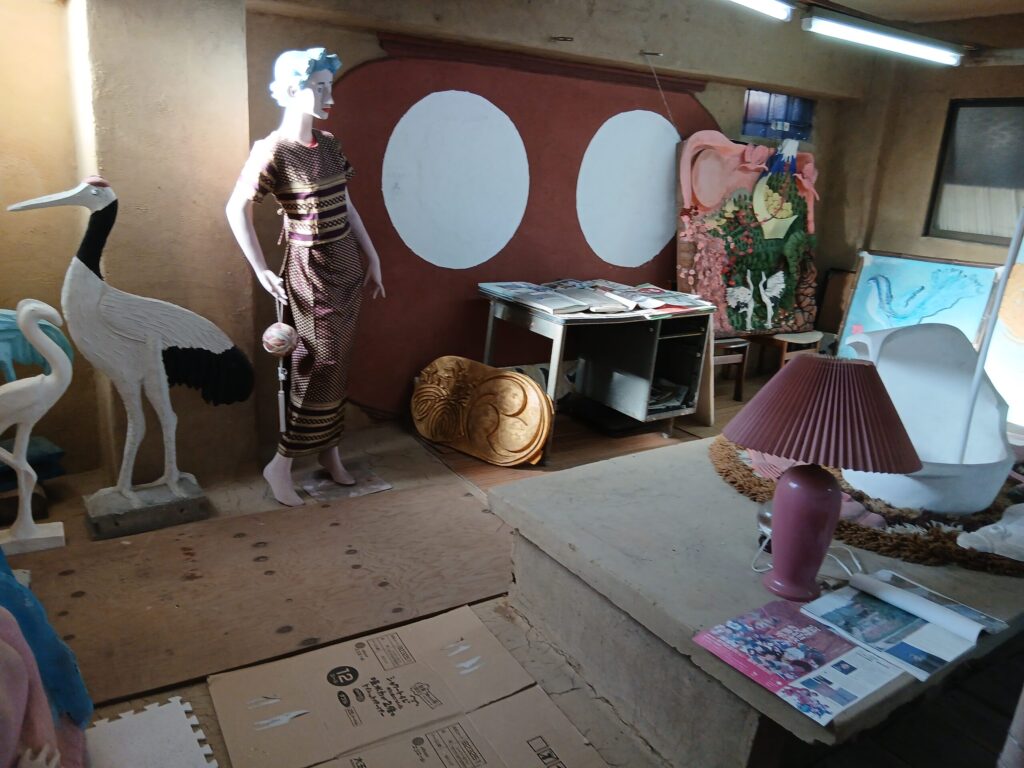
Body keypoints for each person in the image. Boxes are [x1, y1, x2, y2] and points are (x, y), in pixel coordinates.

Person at [226, 47, 385, 506]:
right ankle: (280, 463)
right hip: (310, 269)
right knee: (317, 362)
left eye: (329, 86)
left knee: (340, 362)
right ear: (293, 90)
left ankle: (329, 452)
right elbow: (235, 209)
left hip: (347, 264)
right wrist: (260, 268)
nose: (328, 96)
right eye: (318, 87)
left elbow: (347, 205)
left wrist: (373, 256)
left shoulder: (329, 144)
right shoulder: (273, 151)